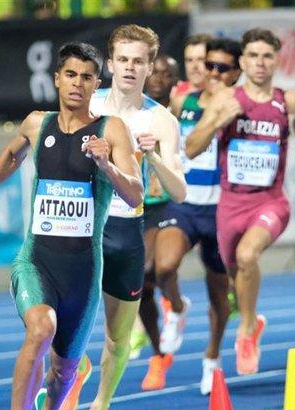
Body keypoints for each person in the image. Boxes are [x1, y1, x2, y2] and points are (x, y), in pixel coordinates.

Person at [0, 42, 143, 410]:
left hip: (83, 273)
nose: (78, 83)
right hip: (36, 261)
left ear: (96, 84)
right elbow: (12, 155)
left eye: (87, 77)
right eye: (71, 75)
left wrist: (107, 164)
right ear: (57, 79)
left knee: (62, 375)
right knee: (40, 328)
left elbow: (135, 194)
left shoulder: (112, 130)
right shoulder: (36, 123)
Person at [56, 24, 186, 410]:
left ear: (150, 67)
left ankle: (100, 409)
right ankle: (76, 366)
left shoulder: (160, 120)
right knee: (56, 314)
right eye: (123, 60)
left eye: (139, 61)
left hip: (125, 229)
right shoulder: (85, 101)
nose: (130, 68)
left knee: (118, 337)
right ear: (110, 64)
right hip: (80, 224)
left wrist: (153, 156)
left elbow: (179, 191)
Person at [186, 28, 295, 375]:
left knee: (248, 256)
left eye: (267, 56)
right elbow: (191, 148)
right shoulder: (225, 100)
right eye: (253, 56)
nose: (260, 63)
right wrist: (219, 120)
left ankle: (247, 330)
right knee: (236, 274)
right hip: (230, 206)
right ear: (243, 62)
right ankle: (251, 319)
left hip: (271, 202)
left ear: (276, 61)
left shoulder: (288, 101)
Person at [147, 37, 243, 395]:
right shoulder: (181, 101)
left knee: (219, 294)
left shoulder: (238, 104)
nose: (207, 71)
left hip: (220, 210)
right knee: (163, 267)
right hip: (185, 204)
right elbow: (166, 141)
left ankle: (212, 358)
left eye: (215, 65)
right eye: (203, 63)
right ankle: (176, 306)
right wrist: (158, 170)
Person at [122, 53, 182, 369]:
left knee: (160, 269)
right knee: (140, 283)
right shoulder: (132, 113)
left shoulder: (179, 115)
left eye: (166, 74)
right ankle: (159, 354)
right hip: (139, 205)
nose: (158, 78)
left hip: (172, 203)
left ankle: (176, 306)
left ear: (176, 80)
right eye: (154, 72)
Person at [171, 34, 211, 98]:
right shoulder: (174, 92)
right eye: (189, 60)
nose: (194, 66)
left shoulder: (224, 95)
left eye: (201, 59)